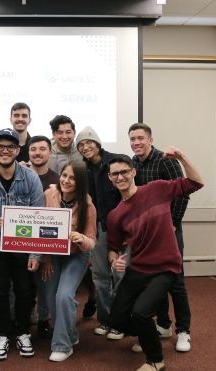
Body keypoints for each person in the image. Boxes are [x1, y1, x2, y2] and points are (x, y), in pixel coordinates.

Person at [106, 150, 203, 371]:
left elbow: (196, 183)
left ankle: (155, 360)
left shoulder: (157, 189)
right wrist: (114, 261)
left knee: (141, 313)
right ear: (109, 178)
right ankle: (147, 334)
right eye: (114, 174)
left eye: (124, 172)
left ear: (133, 172)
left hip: (165, 267)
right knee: (116, 320)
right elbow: (112, 247)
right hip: (138, 268)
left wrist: (182, 158)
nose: (120, 177)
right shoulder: (115, 215)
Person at [0, 128, 44, 361]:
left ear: (17, 150)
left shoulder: (30, 178)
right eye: (1, 147)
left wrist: (35, 253)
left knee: (25, 291)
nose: (5, 151)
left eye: (10, 147)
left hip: (23, 247)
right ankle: (3, 334)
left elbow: (39, 216)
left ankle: (23, 332)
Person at [129, 122, 193, 352]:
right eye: (132, 139)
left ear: (150, 139)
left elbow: (183, 194)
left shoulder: (166, 161)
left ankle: (184, 331)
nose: (136, 143)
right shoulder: (133, 163)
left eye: (140, 138)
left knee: (176, 282)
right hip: (147, 235)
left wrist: (173, 224)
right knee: (154, 281)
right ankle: (164, 325)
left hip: (170, 230)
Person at [42, 161, 97, 362]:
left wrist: (82, 239)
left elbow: (92, 240)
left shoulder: (88, 205)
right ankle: (71, 334)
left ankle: (62, 345)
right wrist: (45, 258)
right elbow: (40, 227)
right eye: (64, 175)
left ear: (80, 182)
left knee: (64, 296)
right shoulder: (49, 195)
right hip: (52, 254)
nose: (66, 180)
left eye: (72, 178)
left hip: (77, 255)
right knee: (51, 298)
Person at [75, 126, 123, 339]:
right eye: (81, 145)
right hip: (98, 229)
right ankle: (105, 320)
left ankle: (121, 322)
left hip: (121, 229)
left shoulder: (116, 162)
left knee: (120, 276)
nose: (86, 147)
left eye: (89, 142)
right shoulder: (82, 169)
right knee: (101, 276)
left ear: (98, 143)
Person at [27, 135, 59, 339]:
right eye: (33, 149)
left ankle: (44, 319)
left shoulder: (58, 181)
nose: (37, 153)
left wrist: (45, 254)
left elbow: (55, 220)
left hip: (47, 241)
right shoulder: (21, 176)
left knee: (46, 283)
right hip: (22, 240)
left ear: (50, 152)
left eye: (42, 149)